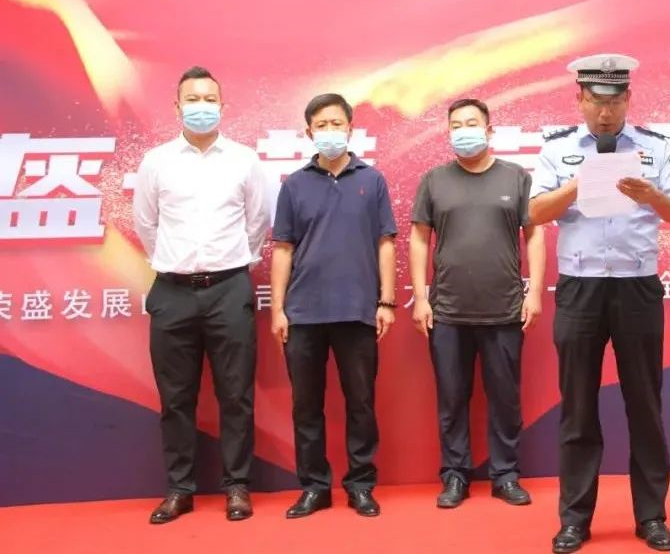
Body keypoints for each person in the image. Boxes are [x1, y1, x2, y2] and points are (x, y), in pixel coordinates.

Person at [529, 54, 670, 553]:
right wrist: (580, 184)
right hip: (581, 288)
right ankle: (575, 519)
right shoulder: (557, 149)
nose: (605, 112)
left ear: (628, 100)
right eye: (597, 101)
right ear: (580, 99)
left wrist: (651, 195)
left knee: (645, 405)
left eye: (615, 101)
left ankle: (652, 516)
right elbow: (534, 211)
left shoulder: (655, 147)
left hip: (637, 286)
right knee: (577, 408)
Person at [133, 66, 269, 524]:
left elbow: (258, 221)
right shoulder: (156, 161)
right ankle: (180, 489)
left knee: (236, 394)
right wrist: (174, 262)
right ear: (177, 107)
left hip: (229, 288)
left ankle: (237, 486)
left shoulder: (244, 160)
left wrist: (235, 262)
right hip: (172, 291)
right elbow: (146, 223)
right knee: (176, 398)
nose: (202, 107)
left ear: (223, 106)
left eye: (210, 99)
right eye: (192, 99)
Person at [409, 98, 546, 509]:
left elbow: (534, 235)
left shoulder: (516, 177)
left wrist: (534, 292)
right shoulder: (434, 180)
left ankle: (505, 475)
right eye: (456, 125)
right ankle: (455, 475)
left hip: (504, 309)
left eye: (471, 123)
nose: (463, 130)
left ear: (489, 130)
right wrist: (421, 297)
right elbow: (419, 239)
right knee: (452, 399)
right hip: (447, 310)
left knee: (505, 398)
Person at [270, 93, 398, 518]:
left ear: (350, 128)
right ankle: (314, 487)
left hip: (358, 310)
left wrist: (386, 300)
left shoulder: (372, 180)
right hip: (303, 313)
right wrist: (278, 309)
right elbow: (283, 248)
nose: (330, 131)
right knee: (306, 406)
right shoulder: (294, 184)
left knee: (361, 403)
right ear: (309, 132)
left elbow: (385, 242)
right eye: (321, 125)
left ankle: (360, 484)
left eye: (336, 123)